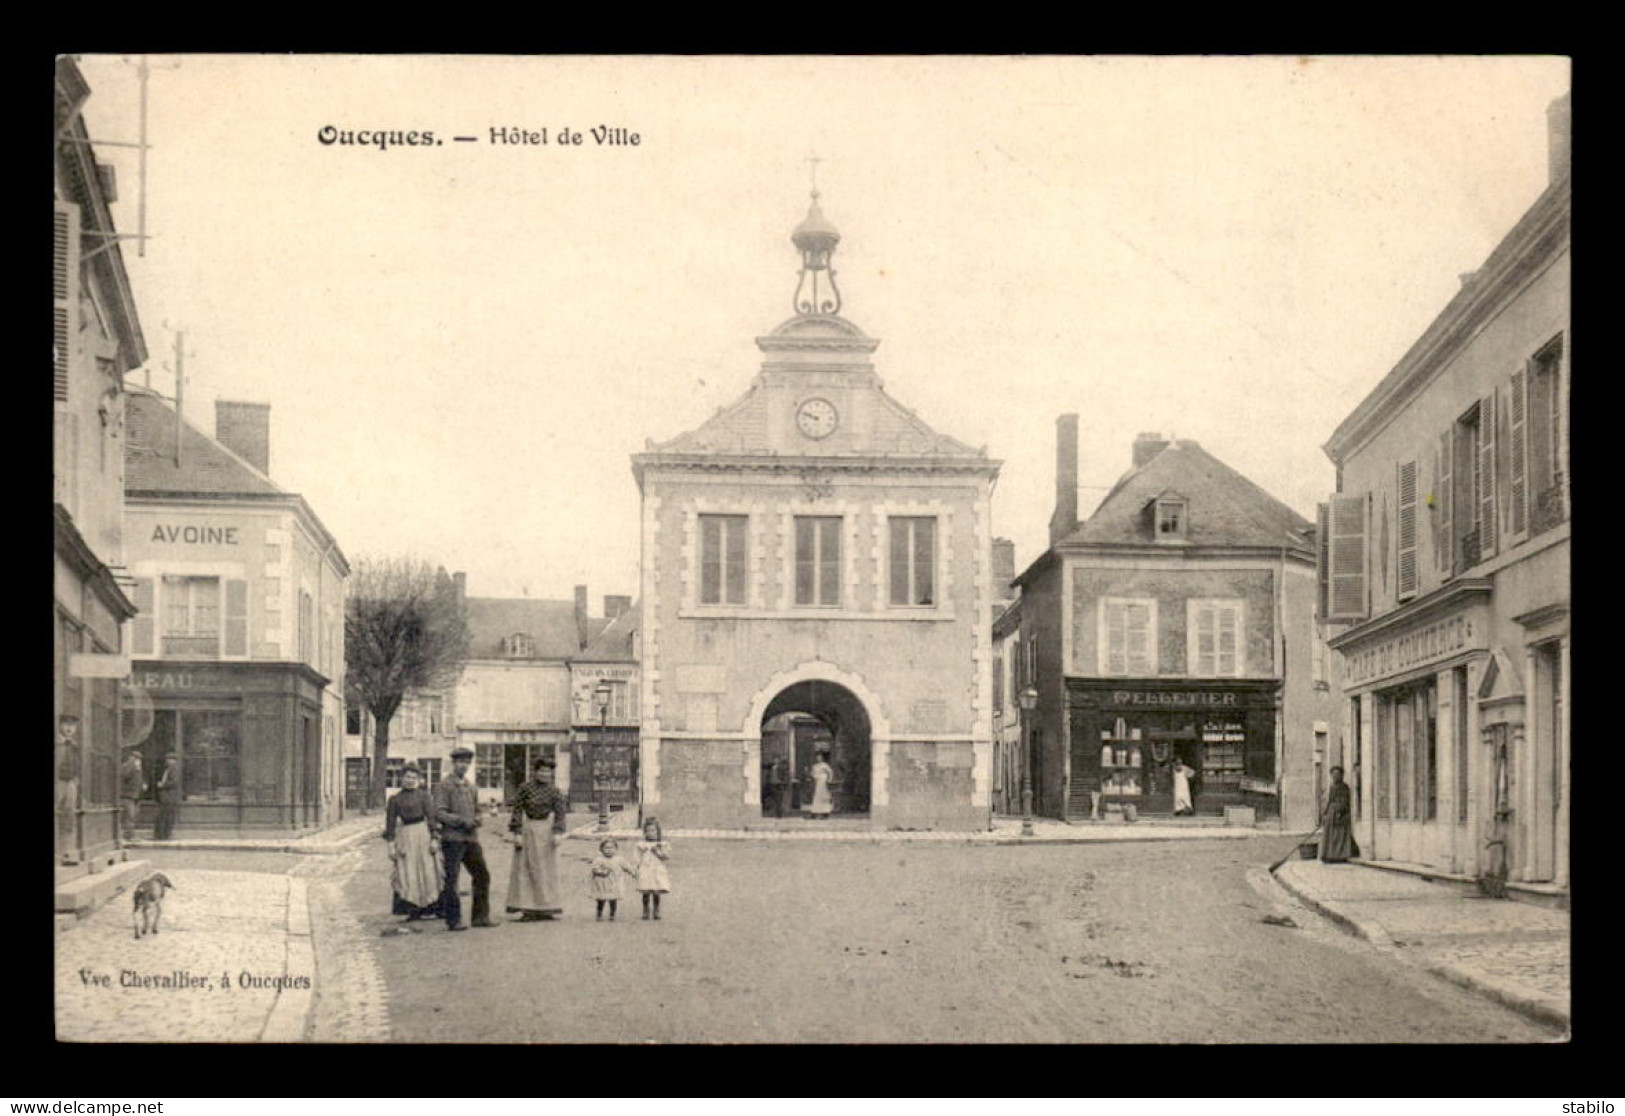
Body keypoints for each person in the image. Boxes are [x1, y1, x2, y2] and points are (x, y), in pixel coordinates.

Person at [433, 746, 498, 931]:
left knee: (482, 875)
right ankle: (454, 920)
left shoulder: (471, 786)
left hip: (471, 839)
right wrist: (462, 821)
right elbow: (439, 812)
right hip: (452, 839)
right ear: (453, 763)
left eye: (467, 762)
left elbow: (478, 810)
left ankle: (480, 917)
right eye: (461, 762)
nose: (464, 766)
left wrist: (478, 819)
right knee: (452, 879)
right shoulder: (444, 786)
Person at [506, 756, 568, 922]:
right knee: (526, 869)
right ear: (535, 771)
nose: (545, 774)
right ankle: (528, 908)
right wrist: (517, 832)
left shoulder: (555, 791)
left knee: (546, 870)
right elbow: (517, 811)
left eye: (548, 771)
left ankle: (546, 907)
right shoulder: (525, 788)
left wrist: (558, 832)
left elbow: (561, 813)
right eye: (542, 770)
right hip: (529, 830)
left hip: (546, 832)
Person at [383, 765, 443, 921]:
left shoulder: (424, 796)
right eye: (407, 777)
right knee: (407, 871)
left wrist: (434, 838)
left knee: (428, 870)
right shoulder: (395, 799)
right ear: (401, 778)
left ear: (418, 780)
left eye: (413, 778)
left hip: (423, 835)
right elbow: (389, 824)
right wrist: (391, 845)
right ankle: (412, 908)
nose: (410, 781)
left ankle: (430, 908)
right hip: (406, 836)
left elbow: (431, 818)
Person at [587, 838, 637, 921]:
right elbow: (594, 869)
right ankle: (599, 914)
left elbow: (627, 867)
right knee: (601, 900)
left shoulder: (619, 859)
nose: (609, 850)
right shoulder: (599, 859)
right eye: (606, 848)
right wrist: (601, 871)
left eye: (612, 848)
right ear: (601, 849)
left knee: (613, 899)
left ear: (616, 849)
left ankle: (612, 914)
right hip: (602, 883)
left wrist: (633, 873)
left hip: (614, 883)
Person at [634, 817, 672, 920]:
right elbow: (637, 857)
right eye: (648, 831)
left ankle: (656, 909)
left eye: (653, 830)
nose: (650, 833)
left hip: (656, 869)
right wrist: (636, 868)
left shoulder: (662, 844)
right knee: (645, 890)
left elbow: (665, 857)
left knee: (656, 890)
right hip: (645, 869)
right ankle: (645, 909)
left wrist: (657, 851)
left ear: (657, 831)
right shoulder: (641, 845)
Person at [1320, 765, 1358, 864]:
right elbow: (1330, 801)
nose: (1335, 776)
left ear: (1342, 775)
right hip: (1331, 814)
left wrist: (1340, 811)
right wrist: (1324, 814)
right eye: (1333, 774)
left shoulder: (1344, 787)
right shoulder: (1332, 787)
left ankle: (1339, 856)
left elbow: (1345, 801)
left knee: (1339, 836)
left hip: (1341, 814)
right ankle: (1329, 855)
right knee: (1330, 836)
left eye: (1337, 774)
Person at [57, 715, 82, 863]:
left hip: (70, 782)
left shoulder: (74, 745)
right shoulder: (58, 743)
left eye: (72, 726)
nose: (69, 728)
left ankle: (65, 853)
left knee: (68, 817)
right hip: (57, 782)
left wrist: (76, 779)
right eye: (66, 724)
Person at [119, 747, 145, 841]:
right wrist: (133, 767)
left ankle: (130, 835)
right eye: (135, 758)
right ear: (130, 758)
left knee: (133, 816)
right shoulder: (126, 766)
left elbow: (137, 780)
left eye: (138, 759)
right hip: (127, 795)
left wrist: (143, 784)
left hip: (135, 796)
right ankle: (129, 836)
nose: (137, 761)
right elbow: (125, 776)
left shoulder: (137, 768)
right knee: (129, 816)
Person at [154, 753, 181, 840]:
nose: (167, 761)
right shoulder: (169, 769)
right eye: (167, 759)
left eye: (169, 759)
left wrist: (162, 785)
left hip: (169, 796)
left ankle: (165, 834)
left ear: (174, 760)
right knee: (164, 815)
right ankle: (162, 834)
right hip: (166, 796)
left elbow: (174, 782)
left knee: (166, 816)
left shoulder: (174, 769)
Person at [807, 751, 834, 818]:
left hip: (823, 781)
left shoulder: (825, 765)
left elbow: (830, 772)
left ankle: (825, 813)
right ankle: (815, 812)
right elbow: (813, 774)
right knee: (817, 797)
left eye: (820, 757)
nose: (818, 758)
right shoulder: (815, 766)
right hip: (817, 782)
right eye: (817, 757)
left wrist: (829, 780)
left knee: (824, 796)